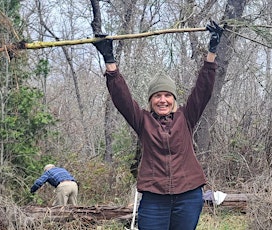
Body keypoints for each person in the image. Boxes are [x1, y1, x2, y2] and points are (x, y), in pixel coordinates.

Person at [92, 20, 223, 230]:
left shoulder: (186, 117)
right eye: (157, 96)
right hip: (154, 199)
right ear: (151, 100)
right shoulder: (143, 121)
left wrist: (212, 51)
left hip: (188, 195)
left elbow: (203, 90)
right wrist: (110, 61)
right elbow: (122, 98)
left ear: (174, 99)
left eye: (167, 95)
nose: (162, 100)